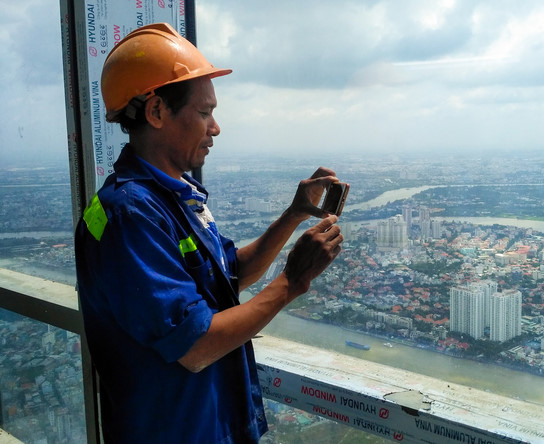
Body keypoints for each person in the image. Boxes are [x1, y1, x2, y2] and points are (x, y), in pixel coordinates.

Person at [74, 23, 344, 443]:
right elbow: (196, 346)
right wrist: (292, 282)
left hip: (208, 425)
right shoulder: (129, 216)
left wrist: (294, 215)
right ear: (157, 111)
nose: (215, 128)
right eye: (204, 113)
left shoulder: (171, 198)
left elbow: (228, 273)